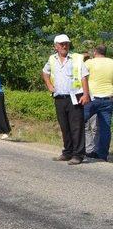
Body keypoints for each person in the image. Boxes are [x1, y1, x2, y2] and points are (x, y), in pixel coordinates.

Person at [42, 34, 90, 165]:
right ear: (55, 46)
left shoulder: (76, 59)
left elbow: (84, 76)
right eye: (62, 44)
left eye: (66, 44)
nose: (64, 46)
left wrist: (86, 94)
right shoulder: (52, 59)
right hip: (59, 98)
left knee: (77, 127)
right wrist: (49, 85)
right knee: (64, 126)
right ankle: (67, 152)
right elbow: (45, 72)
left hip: (75, 97)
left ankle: (78, 155)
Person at [83, 44, 113, 161]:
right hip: (108, 99)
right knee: (105, 128)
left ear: (95, 52)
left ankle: (79, 150)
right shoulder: (111, 62)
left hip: (91, 99)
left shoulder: (89, 62)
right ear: (105, 52)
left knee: (79, 122)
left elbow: (80, 74)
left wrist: (84, 57)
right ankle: (102, 155)